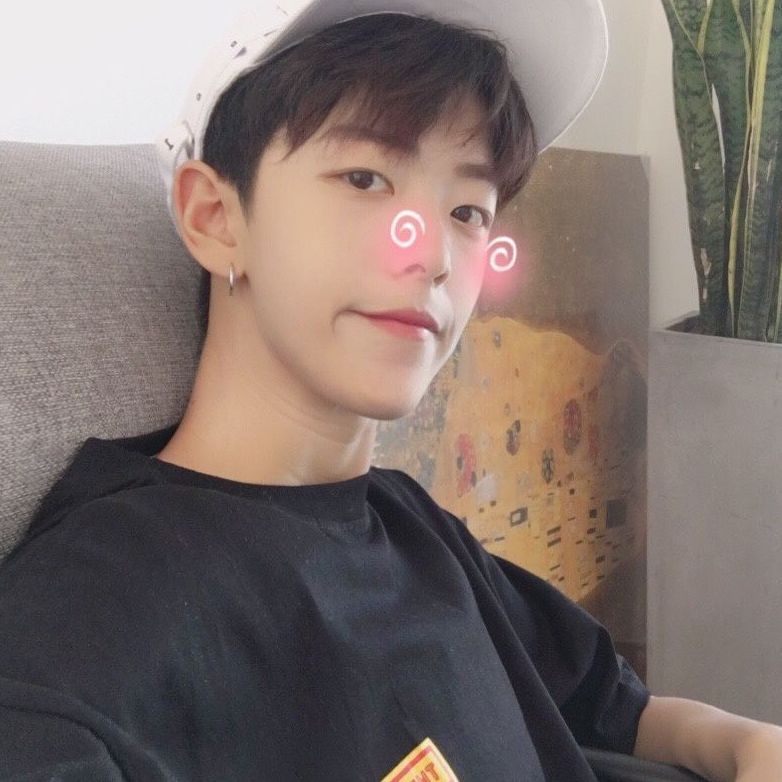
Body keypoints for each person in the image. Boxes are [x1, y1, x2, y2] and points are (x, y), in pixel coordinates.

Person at [1, 0, 781, 779]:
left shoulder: (415, 529)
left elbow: (623, 710)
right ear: (215, 218)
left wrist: (750, 745)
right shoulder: (91, 608)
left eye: (468, 210)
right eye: (366, 177)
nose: (432, 254)